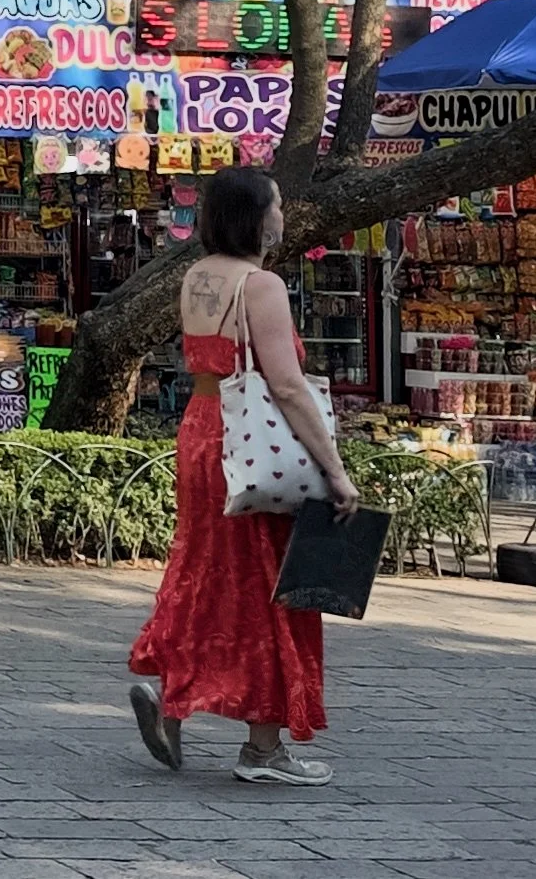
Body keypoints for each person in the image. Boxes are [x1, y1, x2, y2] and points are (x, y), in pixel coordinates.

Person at [128, 166, 361, 786]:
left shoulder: (197, 276)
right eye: (278, 203)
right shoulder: (262, 285)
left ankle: (174, 702)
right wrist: (336, 471)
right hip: (255, 441)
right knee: (273, 582)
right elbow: (285, 383)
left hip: (203, 428)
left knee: (203, 569)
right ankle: (263, 747)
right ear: (255, 216)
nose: (283, 215)